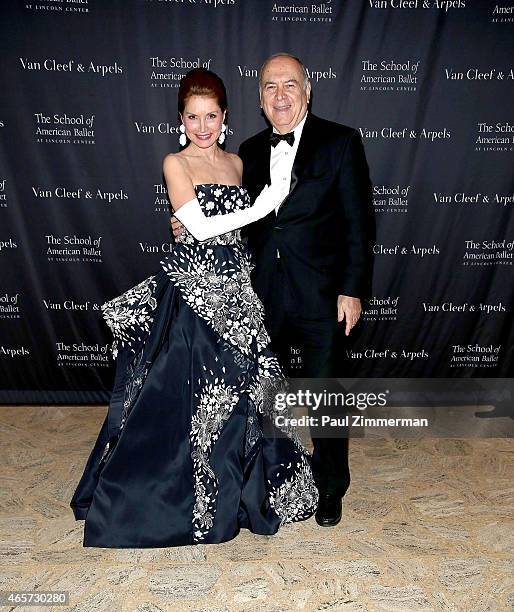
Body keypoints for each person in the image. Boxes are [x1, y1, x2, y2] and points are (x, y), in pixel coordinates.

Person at [70, 68, 319, 548]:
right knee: (194, 402)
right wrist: (265, 203)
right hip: (194, 296)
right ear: (180, 119)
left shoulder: (238, 164)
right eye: (192, 117)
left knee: (257, 395)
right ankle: (182, 499)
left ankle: (249, 492)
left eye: (210, 116)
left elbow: (237, 234)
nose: (201, 127)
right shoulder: (174, 163)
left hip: (237, 293)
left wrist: (258, 227)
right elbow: (200, 228)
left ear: (225, 117)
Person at [172, 53, 374, 528]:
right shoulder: (248, 150)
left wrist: (352, 289)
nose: (279, 95)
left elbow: (359, 225)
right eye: (269, 87)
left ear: (308, 90)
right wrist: (183, 224)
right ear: (260, 98)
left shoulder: (341, 142)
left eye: (289, 85)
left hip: (324, 295)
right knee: (263, 398)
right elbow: (233, 222)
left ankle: (330, 487)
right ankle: (271, 481)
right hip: (261, 294)